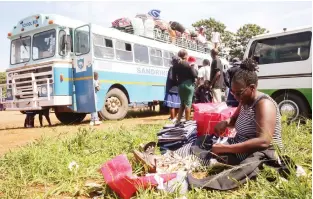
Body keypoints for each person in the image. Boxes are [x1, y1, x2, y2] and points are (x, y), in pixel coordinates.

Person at [174, 58, 283, 165]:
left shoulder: (264, 104)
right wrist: (225, 122)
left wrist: (227, 148)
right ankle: (176, 155)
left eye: (239, 93)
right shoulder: (244, 100)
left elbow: (264, 141)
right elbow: (233, 120)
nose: (235, 97)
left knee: (207, 156)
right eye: (233, 92)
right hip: (238, 144)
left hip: (257, 152)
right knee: (203, 140)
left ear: (252, 87)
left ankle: (182, 159)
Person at [172, 49, 197, 123]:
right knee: (188, 103)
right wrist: (192, 66)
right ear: (186, 55)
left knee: (182, 104)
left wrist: (178, 83)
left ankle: (178, 120)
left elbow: (173, 78)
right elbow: (194, 75)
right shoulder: (188, 64)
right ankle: (187, 121)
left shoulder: (175, 66)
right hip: (188, 85)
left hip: (180, 85)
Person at [164, 57, 181, 123]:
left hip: (174, 89)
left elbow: (172, 78)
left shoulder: (174, 68)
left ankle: (173, 118)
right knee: (174, 105)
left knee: (174, 105)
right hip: (174, 89)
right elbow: (172, 78)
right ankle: (173, 117)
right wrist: (178, 81)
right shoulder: (175, 69)